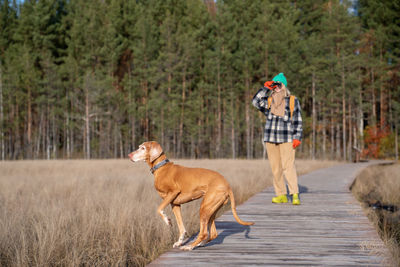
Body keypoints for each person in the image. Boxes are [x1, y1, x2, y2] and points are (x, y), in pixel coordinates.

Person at [252, 73, 303, 205]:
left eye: (279, 84)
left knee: (288, 167)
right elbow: (255, 102)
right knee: (276, 168)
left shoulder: (292, 100)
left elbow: (298, 120)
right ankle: (281, 194)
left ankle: (294, 194)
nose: (277, 87)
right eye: (275, 84)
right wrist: (265, 88)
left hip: (287, 138)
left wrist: (297, 137)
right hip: (270, 139)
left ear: (284, 85)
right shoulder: (269, 100)